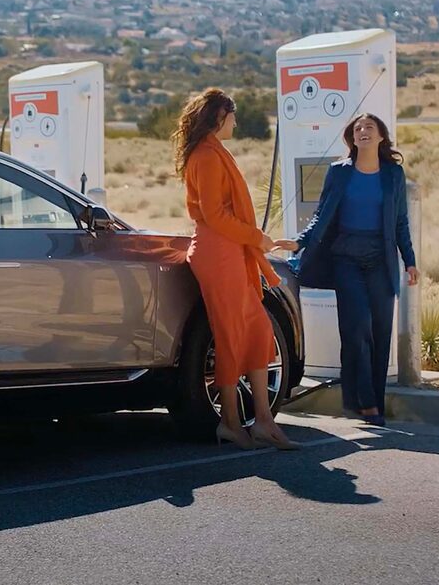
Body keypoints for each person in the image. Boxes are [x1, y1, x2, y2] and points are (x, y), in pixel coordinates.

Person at [176, 88, 298, 451]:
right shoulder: (207, 156)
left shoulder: (213, 152)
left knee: (258, 331)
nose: (236, 122)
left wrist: (253, 240)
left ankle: (263, 420)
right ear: (219, 117)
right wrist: (255, 237)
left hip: (230, 250)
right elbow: (214, 216)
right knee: (230, 335)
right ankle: (230, 422)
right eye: (232, 115)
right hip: (219, 253)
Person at [280, 113, 418, 427]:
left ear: (381, 136)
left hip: (380, 260)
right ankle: (365, 404)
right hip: (347, 258)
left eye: (369, 127)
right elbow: (321, 214)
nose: (363, 131)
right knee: (356, 330)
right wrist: (299, 242)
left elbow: (400, 223)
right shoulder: (338, 172)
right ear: (352, 139)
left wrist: (409, 261)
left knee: (380, 333)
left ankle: (372, 402)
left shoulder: (393, 174)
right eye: (357, 128)